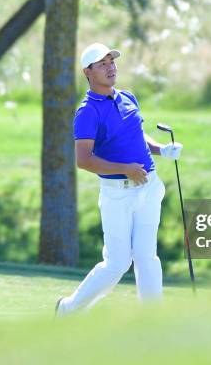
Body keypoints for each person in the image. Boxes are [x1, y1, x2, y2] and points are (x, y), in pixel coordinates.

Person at [55, 43, 183, 315]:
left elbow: (137, 135)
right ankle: (69, 308)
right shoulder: (87, 111)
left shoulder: (128, 97)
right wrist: (125, 168)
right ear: (87, 72)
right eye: (101, 64)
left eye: (111, 61)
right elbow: (83, 159)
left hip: (148, 187)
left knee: (147, 256)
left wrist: (162, 149)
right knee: (117, 262)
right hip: (117, 194)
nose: (110, 67)